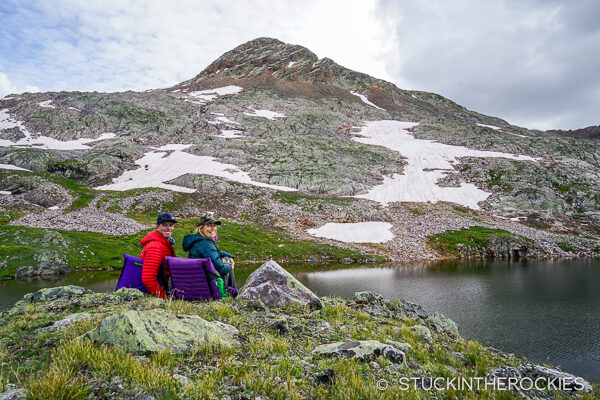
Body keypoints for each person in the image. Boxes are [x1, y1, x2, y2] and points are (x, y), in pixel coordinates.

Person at [182, 212, 237, 296]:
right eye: (208, 226)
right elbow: (221, 269)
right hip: (207, 283)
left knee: (226, 258)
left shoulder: (200, 241)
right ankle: (231, 293)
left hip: (199, 279)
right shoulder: (205, 244)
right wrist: (230, 264)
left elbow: (216, 252)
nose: (213, 228)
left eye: (214, 226)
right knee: (226, 262)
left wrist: (230, 256)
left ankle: (231, 291)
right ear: (201, 229)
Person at [139, 212, 177, 298]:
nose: (168, 228)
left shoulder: (165, 242)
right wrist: (163, 297)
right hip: (159, 290)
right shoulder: (155, 246)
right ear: (157, 227)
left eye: (171, 225)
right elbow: (148, 279)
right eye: (164, 225)